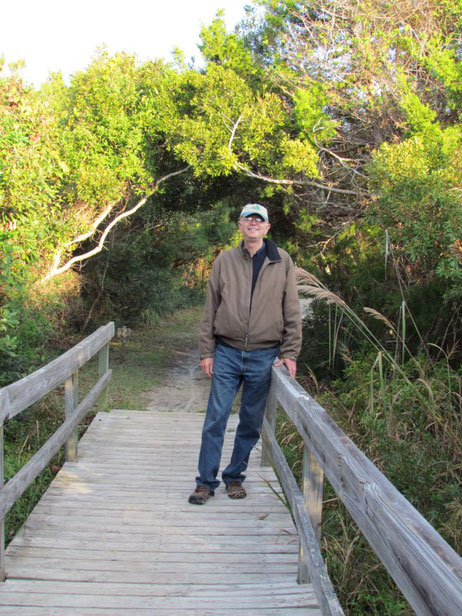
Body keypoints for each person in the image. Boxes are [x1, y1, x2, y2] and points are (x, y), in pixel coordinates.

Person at [188, 204, 302, 505]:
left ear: (266, 228)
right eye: (248, 219)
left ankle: (235, 477)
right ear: (240, 226)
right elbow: (210, 308)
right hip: (226, 351)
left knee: (251, 422)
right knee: (215, 418)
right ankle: (205, 482)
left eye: (259, 220)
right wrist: (206, 350)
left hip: (264, 356)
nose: (253, 223)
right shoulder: (224, 261)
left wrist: (290, 352)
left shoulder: (282, 261)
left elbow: (292, 309)